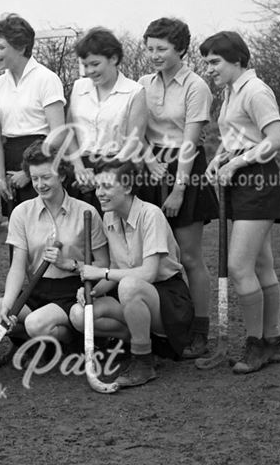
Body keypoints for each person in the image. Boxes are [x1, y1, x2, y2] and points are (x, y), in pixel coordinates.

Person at [200, 31, 280, 374]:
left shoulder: (255, 90)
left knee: (239, 267)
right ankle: (274, 341)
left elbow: (276, 138)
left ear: (236, 59)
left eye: (214, 61)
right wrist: (218, 157)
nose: (209, 68)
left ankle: (256, 345)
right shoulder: (230, 92)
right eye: (207, 62)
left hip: (260, 182)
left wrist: (236, 163)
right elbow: (237, 137)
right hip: (242, 182)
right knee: (262, 265)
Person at [70, 159, 195, 389]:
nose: (100, 193)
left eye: (106, 186)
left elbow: (147, 274)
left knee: (128, 286)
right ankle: (139, 341)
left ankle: (143, 362)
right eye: (97, 187)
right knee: (80, 314)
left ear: (127, 187)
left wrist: (102, 272)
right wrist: (93, 291)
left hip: (170, 301)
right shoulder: (109, 217)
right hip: (136, 297)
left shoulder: (151, 214)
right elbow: (119, 268)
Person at [0, 142, 108, 360]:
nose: (40, 184)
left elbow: (104, 264)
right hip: (36, 290)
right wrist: (8, 304)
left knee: (35, 323)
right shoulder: (22, 212)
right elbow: (17, 267)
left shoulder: (87, 212)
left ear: (62, 176)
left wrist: (72, 264)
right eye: (35, 178)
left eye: (46, 177)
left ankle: (70, 342)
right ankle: (42, 344)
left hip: (72, 292)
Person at [136, 17, 219, 359]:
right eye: (150, 48)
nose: (154, 54)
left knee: (188, 256)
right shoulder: (142, 83)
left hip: (185, 169)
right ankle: (163, 329)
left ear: (181, 49)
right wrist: (148, 160)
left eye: (162, 48)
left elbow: (190, 141)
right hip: (149, 169)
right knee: (153, 254)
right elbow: (135, 131)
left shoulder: (196, 86)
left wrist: (179, 188)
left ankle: (200, 330)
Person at [0, 13, 66, 219]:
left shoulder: (47, 79)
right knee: (18, 240)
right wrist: (0, 177)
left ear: (21, 47)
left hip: (43, 163)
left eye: (0, 47)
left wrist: (29, 173)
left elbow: (58, 134)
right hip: (11, 165)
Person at [63, 27, 148, 210]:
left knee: (116, 233)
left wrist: (104, 178)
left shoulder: (134, 92)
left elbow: (133, 142)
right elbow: (69, 131)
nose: (89, 71)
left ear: (114, 59)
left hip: (118, 172)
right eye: (85, 65)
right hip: (82, 173)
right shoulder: (79, 88)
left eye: (95, 64)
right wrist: (78, 167)